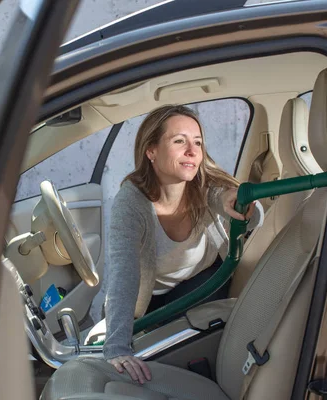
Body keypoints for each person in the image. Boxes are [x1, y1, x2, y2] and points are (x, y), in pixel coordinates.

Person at [103, 104, 264, 384]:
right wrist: (115, 348)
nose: (193, 151)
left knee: (165, 353)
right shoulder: (130, 203)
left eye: (198, 143)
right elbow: (123, 274)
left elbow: (245, 213)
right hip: (152, 297)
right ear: (150, 151)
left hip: (204, 281)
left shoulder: (206, 185)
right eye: (180, 141)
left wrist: (238, 204)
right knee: (142, 350)